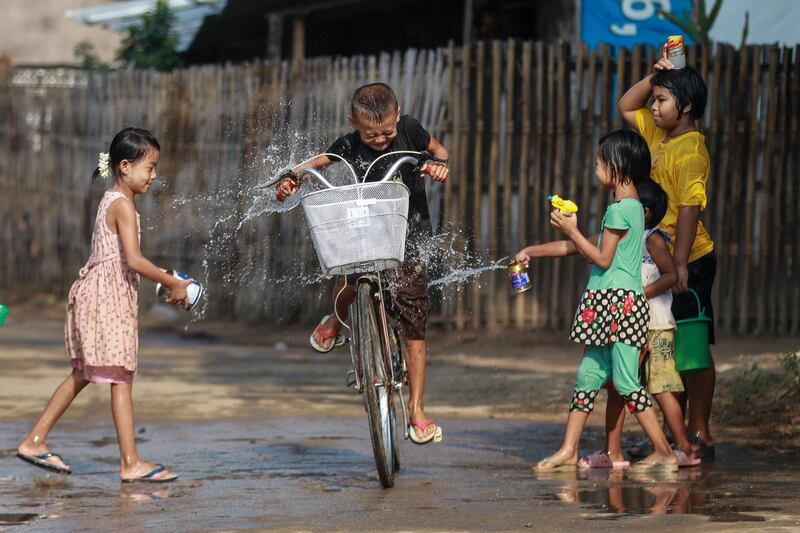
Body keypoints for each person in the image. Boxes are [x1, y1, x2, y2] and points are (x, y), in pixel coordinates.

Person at [276, 83, 449, 444]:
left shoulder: (411, 130)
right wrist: (293, 177)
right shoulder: (347, 145)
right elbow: (318, 162)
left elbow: (439, 152)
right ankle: (334, 322)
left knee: (415, 328)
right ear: (353, 122)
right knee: (349, 278)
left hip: (409, 236)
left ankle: (417, 412)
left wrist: (437, 166)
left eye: (387, 132)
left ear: (398, 115)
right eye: (372, 135)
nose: (382, 139)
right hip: (366, 233)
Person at [17, 128, 189, 482]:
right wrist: (173, 283)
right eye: (150, 167)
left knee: (85, 372)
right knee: (120, 377)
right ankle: (130, 463)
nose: (154, 176)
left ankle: (35, 440)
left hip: (98, 297)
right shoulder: (122, 205)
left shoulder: (113, 200)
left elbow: (126, 261)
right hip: (106, 301)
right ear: (125, 166)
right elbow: (136, 261)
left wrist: (168, 278)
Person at [515, 129, 677, 472]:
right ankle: (569, 449)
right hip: (610, 305)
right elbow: (578, 248)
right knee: (588, 376)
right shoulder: (627, 209)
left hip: (620, 306)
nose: (595, 167)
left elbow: (600, 258)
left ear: (618, 166)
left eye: (599, 162)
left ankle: (664, 451)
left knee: (626, 382)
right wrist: (532, 251)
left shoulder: (622, 210)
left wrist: (571, 230)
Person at [619, 51, 716, 459]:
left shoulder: (692, 151)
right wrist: (654, 75)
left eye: (661, 100)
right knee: (659, 345)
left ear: (687, 107)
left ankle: (699, 431)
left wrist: (678, 265)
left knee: (691, 347)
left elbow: (691, 209)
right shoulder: (658, 133)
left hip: (689, 259)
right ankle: (672, 436)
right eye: (654, 99)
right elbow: (627, 104)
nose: (652, 107)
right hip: (657, 257)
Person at [582, 179, 700, 469]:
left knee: (661, 387)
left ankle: (684, 447)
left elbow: (671, 276)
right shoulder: (626, 239)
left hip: (656, 326)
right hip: (630, 324)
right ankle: (613, 452)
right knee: (619, 386)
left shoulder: (653, 239)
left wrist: (638, 295)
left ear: (643, 212)